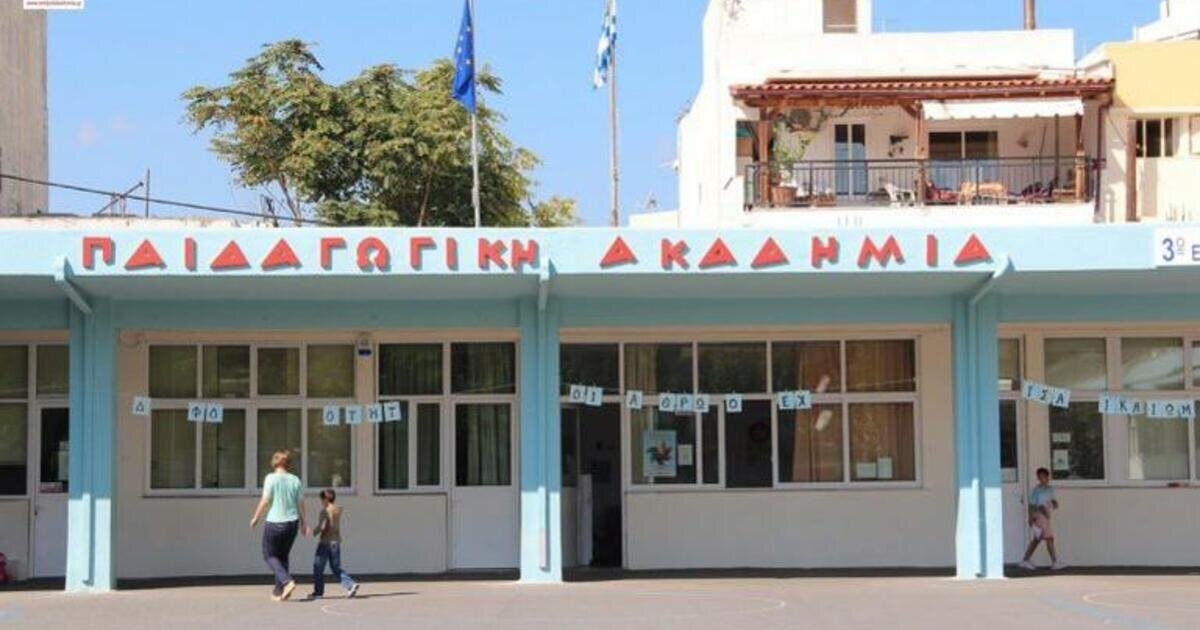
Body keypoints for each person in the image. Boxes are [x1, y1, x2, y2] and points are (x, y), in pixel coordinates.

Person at [250, 450, 308, 601]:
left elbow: (265, 500)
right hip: (292, 523)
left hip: (275, 522)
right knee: (282, 556)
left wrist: (256, 517)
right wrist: (304, 523)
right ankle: (279, 591)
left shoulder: (270, 478)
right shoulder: (295, 479)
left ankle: (287, 581)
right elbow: (300, 503)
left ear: (274, 462)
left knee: (269, 555)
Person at [309, 489, 360, 599]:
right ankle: (351, 585)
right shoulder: (337, 509)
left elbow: (322, 526)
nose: (321, 502)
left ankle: (318, 593)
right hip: (335, 542)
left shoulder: (324, 511)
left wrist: (313, 532)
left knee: (318, 568)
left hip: (325, 542)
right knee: (335, 567)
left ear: (326, 499)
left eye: (322, 499)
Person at [1019, 467, 1065, 571]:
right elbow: (1032, 505)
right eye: (1040, 477)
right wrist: (1030, 517)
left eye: (1044, 477)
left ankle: (1025, 560)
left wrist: (1054, 503)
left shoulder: (1050, 489)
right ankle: (1055, 562)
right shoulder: (1036, 490)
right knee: (1049, 538)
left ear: (1048, 477)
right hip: (1039, 516)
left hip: (1046, 516)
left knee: (1037, 539)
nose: (1042, 479)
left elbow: (1053, 502)